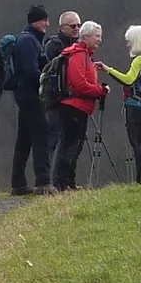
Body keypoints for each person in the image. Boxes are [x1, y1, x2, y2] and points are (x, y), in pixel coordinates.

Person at [99, 25, 141, 184]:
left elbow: (128, 79)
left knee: (138, 144)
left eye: (129, 41)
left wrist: (108, 70)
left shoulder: (140, 59)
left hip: (136, 107)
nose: (128, 45)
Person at [54, 20, 107, 191]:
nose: (99, 40)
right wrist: (100, 90)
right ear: (86, 37)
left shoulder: (85, 56)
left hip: (79, 107)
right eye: (97, 36)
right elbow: (79, 84)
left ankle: (69, 182)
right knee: (70, 145)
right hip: (72, 106)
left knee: (75, 145)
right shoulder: (78, 55)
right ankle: (61, 183)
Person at [10, 5, 54, 196]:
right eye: (44, 20)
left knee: (24, 139)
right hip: (31, 96)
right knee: (40, 137)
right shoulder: (29, 41)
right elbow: (31, 71)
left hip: (23, 95)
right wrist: (46, 81)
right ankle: (43, 182)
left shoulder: (27, 39)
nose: (47, 24)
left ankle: (18, 183)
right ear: (35, 21)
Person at [43, 11, 81, 170]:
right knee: (55, 140)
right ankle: (52, 177)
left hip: (75, 101)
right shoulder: (53, 46)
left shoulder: (80, 47)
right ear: (63, 27)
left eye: (79, 25)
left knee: (73, 142)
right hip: (56, 102)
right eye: (73, 26)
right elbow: (47, 71)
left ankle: (66, 177)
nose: (77, 29)